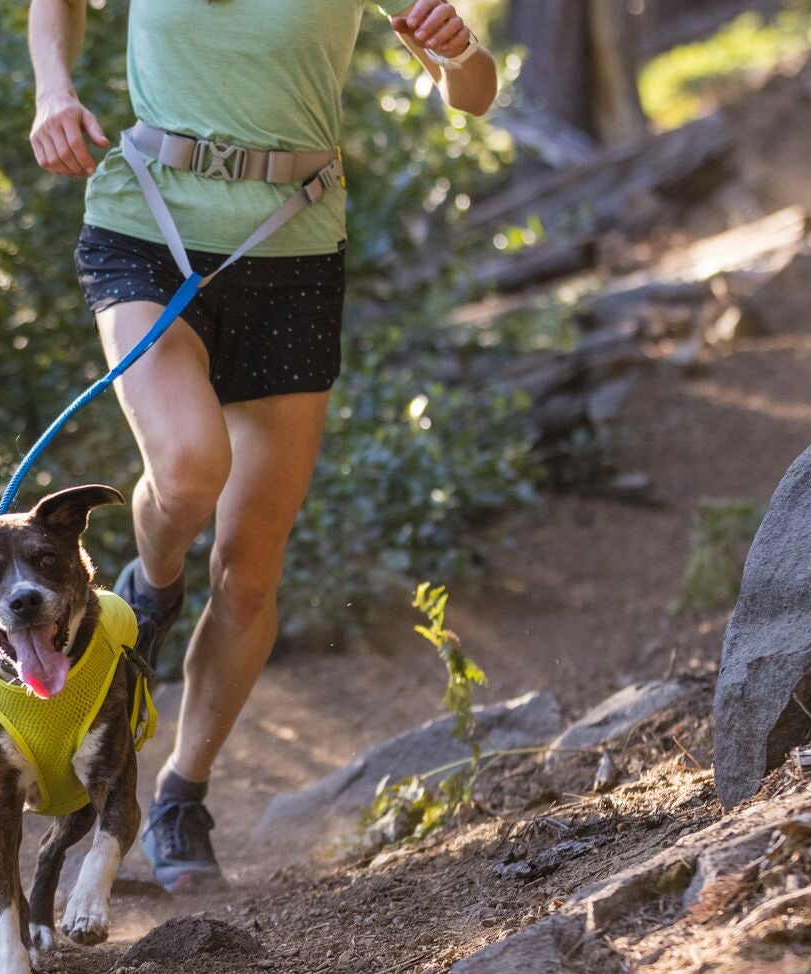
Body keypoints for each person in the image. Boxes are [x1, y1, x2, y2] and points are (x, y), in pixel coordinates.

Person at [26, 0, 497, 892]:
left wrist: (457, 47)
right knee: (191, 470)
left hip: (293, 247)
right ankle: (150, 587)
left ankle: (179, 799)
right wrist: (55, 92)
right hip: (147, 221)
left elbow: (472, 95)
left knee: (248, 571)